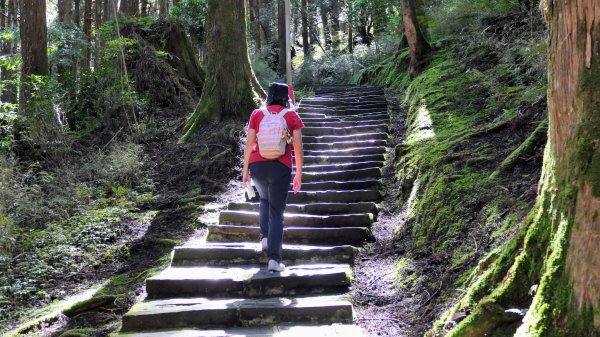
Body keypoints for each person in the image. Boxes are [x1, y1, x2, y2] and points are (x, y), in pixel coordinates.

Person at [242, 82, 304, 272]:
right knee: (277, 211)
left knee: (264, 199)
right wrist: (299, 174)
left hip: (257, 165)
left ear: (268, 96)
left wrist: (245, 171)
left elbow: (249, 144)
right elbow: (298, 148)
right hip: (280, 166)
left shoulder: (257, 114)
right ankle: (274, 260)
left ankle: (265, 238)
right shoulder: (291, 115)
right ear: (287, 97)